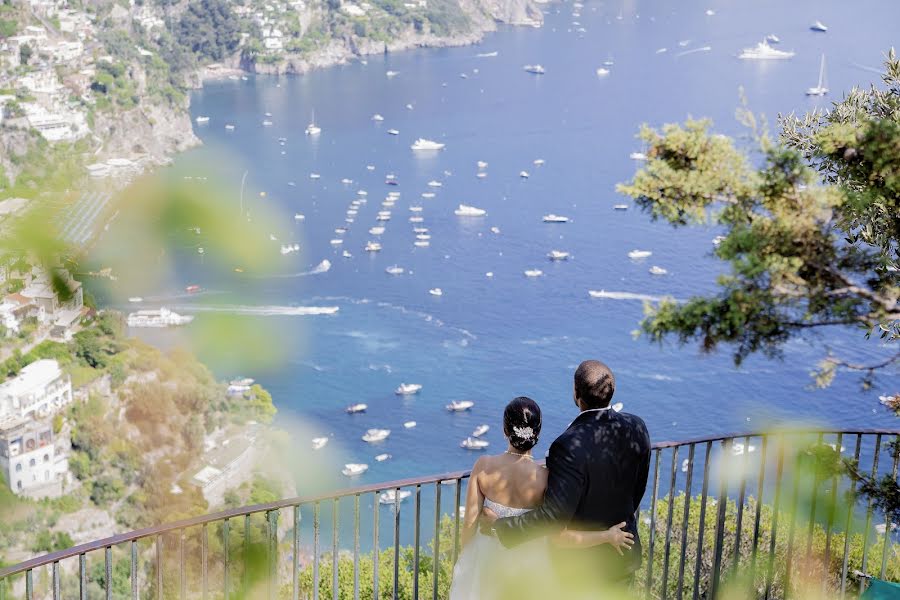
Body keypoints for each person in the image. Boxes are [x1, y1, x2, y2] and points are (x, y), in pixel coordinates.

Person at [449, 396, 636, 600]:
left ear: (505, 431)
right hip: (530, 565)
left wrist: (465, 559)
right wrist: (606, 536)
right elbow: (560, 535)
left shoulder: (483, 466)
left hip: (486, 560)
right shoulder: (546, 477)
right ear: (537, 433)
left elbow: (469, 524)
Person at [489, 360, 651, 589]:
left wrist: (502, 527)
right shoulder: (637, 426)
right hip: (622, 556)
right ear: (611, 392)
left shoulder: (567, 446)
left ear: (576, 394)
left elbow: (554, 516)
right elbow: (638, 490)